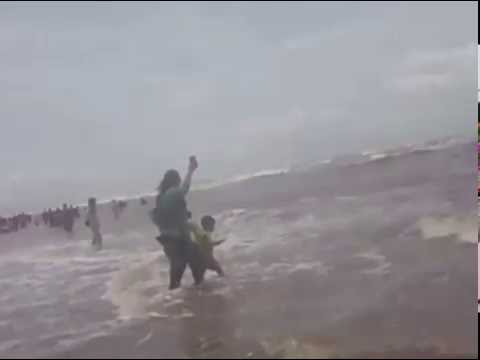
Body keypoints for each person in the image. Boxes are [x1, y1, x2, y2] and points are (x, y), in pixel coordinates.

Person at [152, 156, 204, 290]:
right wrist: (191, 170)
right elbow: (184, 189)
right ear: (176, 180)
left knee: (177, 273)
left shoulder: (161, 197)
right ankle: (200, 294)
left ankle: (174, 301)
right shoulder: (173, 192)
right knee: (197, 263)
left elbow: (163, 217)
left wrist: (183, 216)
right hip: (178, 239)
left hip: (168, 240)